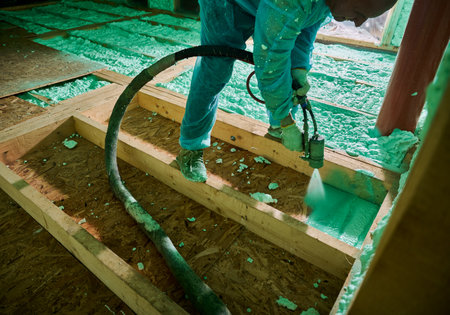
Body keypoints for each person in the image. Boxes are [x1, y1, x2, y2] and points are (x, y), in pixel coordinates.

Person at [176, 0, 397, 182]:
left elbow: (304, 25)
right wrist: (286, 119)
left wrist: (300, 68)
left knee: (288, 67)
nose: (359, 23)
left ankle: (278, 126)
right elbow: (270, 61)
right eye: (359, 12)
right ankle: (191, 147)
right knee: (215, 72)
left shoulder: (328, 3)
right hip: (226, 5)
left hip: (272, 6)